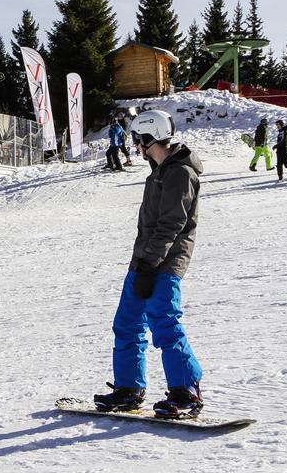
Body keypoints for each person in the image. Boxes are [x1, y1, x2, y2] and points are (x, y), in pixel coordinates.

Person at [93, 109, 204, 419]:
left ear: (148, 136)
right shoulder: (159, 172)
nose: (136, 147)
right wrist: (140, 264)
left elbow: (171, 225)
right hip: (144, 261)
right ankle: (129, 389)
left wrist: (149, 265)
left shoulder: (180, 173)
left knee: (164, 323)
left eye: (137, 140)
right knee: (127, 324)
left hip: (164, 264)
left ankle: (186, 391)